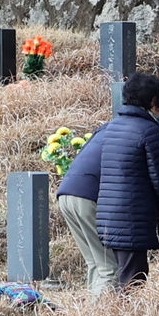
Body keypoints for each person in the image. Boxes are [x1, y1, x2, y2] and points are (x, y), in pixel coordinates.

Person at [97, 72, 159, 288]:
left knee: (122, 275)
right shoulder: (150, 131)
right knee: (133, 281)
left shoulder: (113, 127)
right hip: (132, 218)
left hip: (108, 216)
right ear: (152, 101)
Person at [57, 124, 118, 296]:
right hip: (88, 196)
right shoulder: (144, 131)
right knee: (109, 268)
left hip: (66, 193)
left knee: (95, 263)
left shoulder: (105, 129)